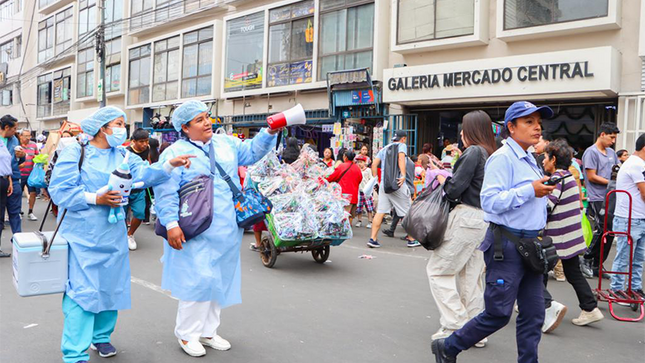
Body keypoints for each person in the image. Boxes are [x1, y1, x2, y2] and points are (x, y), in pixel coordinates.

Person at [48, 106, 193, 363]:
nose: (122, 129)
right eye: (117, 123)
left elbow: (145, 175)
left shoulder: (123, 155)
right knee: (81, 292)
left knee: (110, 286)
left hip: (113, 234)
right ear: (103, 127)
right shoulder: (76, 151)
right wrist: (96, 198)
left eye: (123, 124)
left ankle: (101, 337)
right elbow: (60, 190)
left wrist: (169, 165)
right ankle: (74, 352)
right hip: (81, 234)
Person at [432, 101, 556, 363]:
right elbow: (489, 202)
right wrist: (529, 190)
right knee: (498, 313)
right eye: (529, 122)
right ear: (511, 127)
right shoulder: (501, 158)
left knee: (533, 314)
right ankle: (449, 346)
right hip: (508, 246)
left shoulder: (530, 159)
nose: (537, 128)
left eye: (539, 122)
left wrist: (541, 190)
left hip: (531, 246)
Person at [153, 100, 280, 358]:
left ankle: (209, 331)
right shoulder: (175, 152)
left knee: (219, 279)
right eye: (199, 120)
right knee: (197, 280)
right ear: (185, 127)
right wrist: (171, 225)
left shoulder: (226, 143)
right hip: (194, 228)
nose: (207, 122)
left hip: (226, 227)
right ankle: (187, 334)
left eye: (207, 117)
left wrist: (269, 132)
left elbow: (252, 152)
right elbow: (165, 191)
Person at [428, 110, 497, 346]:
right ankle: (475, 331)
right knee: (471, 278)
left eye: (463, 129)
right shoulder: (491, 154)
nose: (460, 133)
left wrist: (443, 182)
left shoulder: (473, 152)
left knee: (438, 271)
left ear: (471, 131)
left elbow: (455, 188)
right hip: (484, 221)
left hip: (467, 217)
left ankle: (455, 324)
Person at [541, 139, 604, 332]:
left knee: (537, 271)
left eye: (545, 157)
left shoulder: (557, 179)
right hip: (571, 235)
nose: (543, 161)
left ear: (553, 159)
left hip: (558, 236)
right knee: (573, 272)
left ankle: (544, 306)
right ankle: (590, 307)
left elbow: (547, 207)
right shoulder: (568, 176)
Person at [582, 122, 620, 278]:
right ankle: (586, 258)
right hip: (597, 197)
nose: (612, 141)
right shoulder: (591, 152)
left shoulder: (611, 152)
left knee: (610, 231)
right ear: (602, 134)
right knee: (601, 229)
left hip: (611, 195)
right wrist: (611, 183)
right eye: (611, 137)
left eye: (614, 138)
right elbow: (591, 176)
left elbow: (617, 171)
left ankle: (598, 264)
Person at [610, 133, 645, 298]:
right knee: (625, 257)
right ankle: (617, 288)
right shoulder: (636, 164)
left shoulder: (637, 163)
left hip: (636, 217)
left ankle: (634, 287)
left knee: (637, 258)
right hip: (630, 218)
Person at [368, 130, 410, 248]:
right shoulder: (402, 146)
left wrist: (377, 180)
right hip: (397, 183)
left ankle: (373, 239)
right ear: (403, 138)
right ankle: (412, 239)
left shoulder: (385, 148)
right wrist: (403, 175)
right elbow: (401, 158)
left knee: (380, 212)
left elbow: (374, 165)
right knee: (406, 211)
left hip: (384, 185)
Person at [124, 128, 151, 250]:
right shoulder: (125, 152)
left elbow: (148, 164)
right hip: (125, 189)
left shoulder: (147, 149)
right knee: (122, 215)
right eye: (141, 141)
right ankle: (122, 234)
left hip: (139, 189)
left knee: (140, 213)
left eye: (146, 141)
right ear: (133, 141)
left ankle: (130, 234)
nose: (144, 144)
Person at [0, 115, 23, 239]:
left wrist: (21, 155)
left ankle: (18, 242)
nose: (16, 131)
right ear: (7, 127)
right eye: (14, 129)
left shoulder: (14, 139)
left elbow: (18, 161)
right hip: (2, 180)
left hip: (12, 179)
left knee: (15, 212)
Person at [326, 149, 362, 222]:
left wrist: (323, 178)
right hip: (353, 196)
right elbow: (360, 179)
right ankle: (348, 230)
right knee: (349, 215)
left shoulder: (342, 166)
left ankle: (344, 231)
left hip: (343, 195)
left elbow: (332, 177)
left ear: (345, 157)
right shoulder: (357, 168)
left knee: (342, 215)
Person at [18, 129, 39, 221]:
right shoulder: (17, 145)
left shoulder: (33, 145)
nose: (27, 138)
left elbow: (37, 156)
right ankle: (18, 211)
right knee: (17, 194)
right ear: (21, 136)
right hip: (19, 173)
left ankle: (30, 212)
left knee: (33, 193)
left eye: (29, 136)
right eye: (25, 136)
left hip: (31, 174)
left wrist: (38, 159)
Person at [0, 131, 13, 257]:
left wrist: (9, 181)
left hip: (3, 180)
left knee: (0, 217)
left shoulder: (3, 142)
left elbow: (5, 163)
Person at [355, 155, 374, 228]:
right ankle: (359, 220)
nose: (359, 164)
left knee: (369, 207)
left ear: (365, 163)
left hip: (367, 191)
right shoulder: (357, 170)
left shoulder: (368, 170)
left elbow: (371, 179)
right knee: (359, 207)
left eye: (361, 162)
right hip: (359, 190)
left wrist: (371, 189)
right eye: (358, 162)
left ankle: (370, 221)